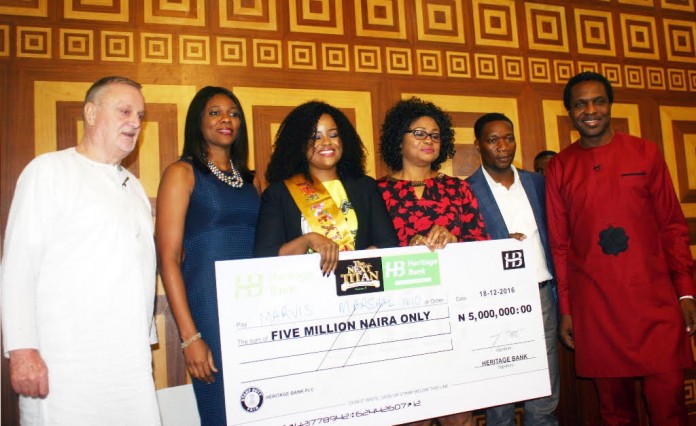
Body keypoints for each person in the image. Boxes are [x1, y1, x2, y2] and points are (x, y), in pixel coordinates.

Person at [0, 76, 160, 425]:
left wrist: (144, 344)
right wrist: (23, 350)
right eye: (124, 111)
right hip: (66, 366)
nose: (135, 122)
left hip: (130, 366)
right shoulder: (48, 171)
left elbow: (140, 272)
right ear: (90, 113)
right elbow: (18, 267)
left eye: (140, 115)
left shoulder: (134, 187)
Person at [546, 71, 696, 425]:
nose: (590, 111)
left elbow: (672, 226)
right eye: (580, 104)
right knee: (615, 414)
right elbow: (560, 246)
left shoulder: (645, 153)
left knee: (670, 408)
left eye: (598, 101)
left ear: (610, 105)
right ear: (570, 112)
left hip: (655, 303)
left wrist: (686, 292)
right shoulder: (560, 167)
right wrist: (566, 309)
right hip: (597, 309)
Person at [377, 97, 489, 426]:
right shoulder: (376, 192)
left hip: (454, 316)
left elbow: (482, 247)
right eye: (419, 133)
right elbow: (368, 253)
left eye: (435, 135)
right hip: (400, 318)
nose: (429, 140)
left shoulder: (458, 189)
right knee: (412, 415)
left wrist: (454, 241)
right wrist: (406, 247)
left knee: (459, 415)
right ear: (398, 138)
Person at [156, 86, 260, 424]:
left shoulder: (251, 182)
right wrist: (190, 337)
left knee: (261, 407)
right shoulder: (182, 173)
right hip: (209, 307)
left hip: (253, 306)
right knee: (223, 409)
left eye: (233, 113)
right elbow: (168, 258)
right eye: (215, 112)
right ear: (197, 122)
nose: (226, 119)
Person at [466, 113, 559, 426]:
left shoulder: (537, 183)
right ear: (478, 145)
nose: (503, 146)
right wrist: (497, 248)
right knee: (500, 388)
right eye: (493, 140)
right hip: (495, 300)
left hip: (540, 294)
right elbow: (462, 248)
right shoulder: (466, 191)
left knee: (544, 385)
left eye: (508, 138)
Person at [254, 100, 397, 272]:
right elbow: (265, 257)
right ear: (298, 143)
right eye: (316, 137)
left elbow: (388, 244)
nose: (327, 142)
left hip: (357, 282)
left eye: (333, 135)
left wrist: (351, 266)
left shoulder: (365, 187)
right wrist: (307, 240)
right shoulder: (279, 193)